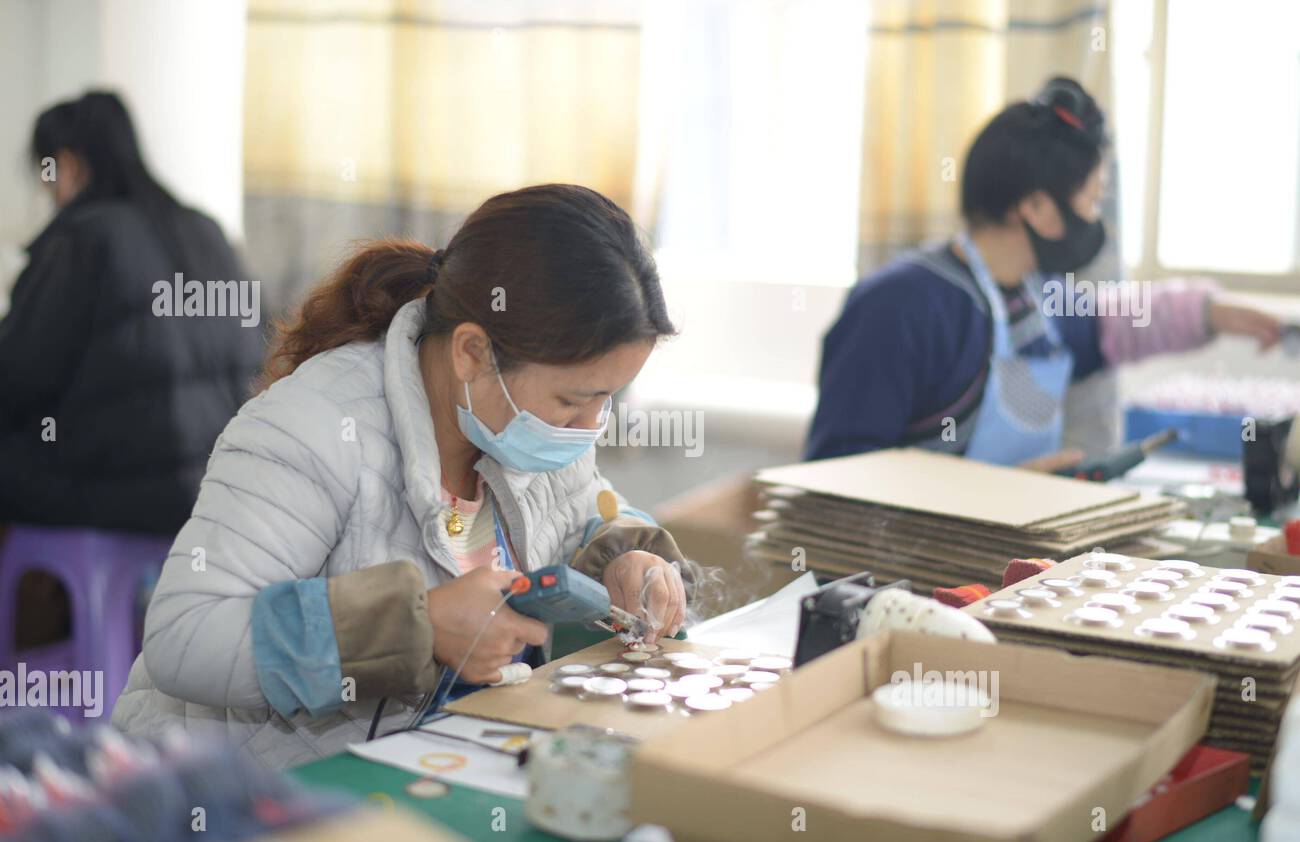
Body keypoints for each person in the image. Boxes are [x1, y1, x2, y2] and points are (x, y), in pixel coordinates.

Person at [112, 184, 692, 768]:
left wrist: (626, 559)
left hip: (441, 762)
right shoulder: (316, 425)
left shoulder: (532, 426)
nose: (591, 425)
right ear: (472, 352)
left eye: (607, 399)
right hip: (240, 794)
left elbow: (591, 510)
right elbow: (186, 636)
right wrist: (416, 627)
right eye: (575, 398)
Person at [806, 77, 1281, 469]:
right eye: (1092, 200)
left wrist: (1212, 312)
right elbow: (835, 480)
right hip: (907, 580)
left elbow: (1112, 323)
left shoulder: (1037, 299)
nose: (1096, 220)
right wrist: (995, 495)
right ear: (1034, 206)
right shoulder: (899, 307)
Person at [0, 91, 264, 533]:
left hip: (122, 496)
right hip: (222, 491)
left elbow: (17, 378)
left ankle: (34, 599)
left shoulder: (83, 239)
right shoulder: (206, 231)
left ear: (65, 166)